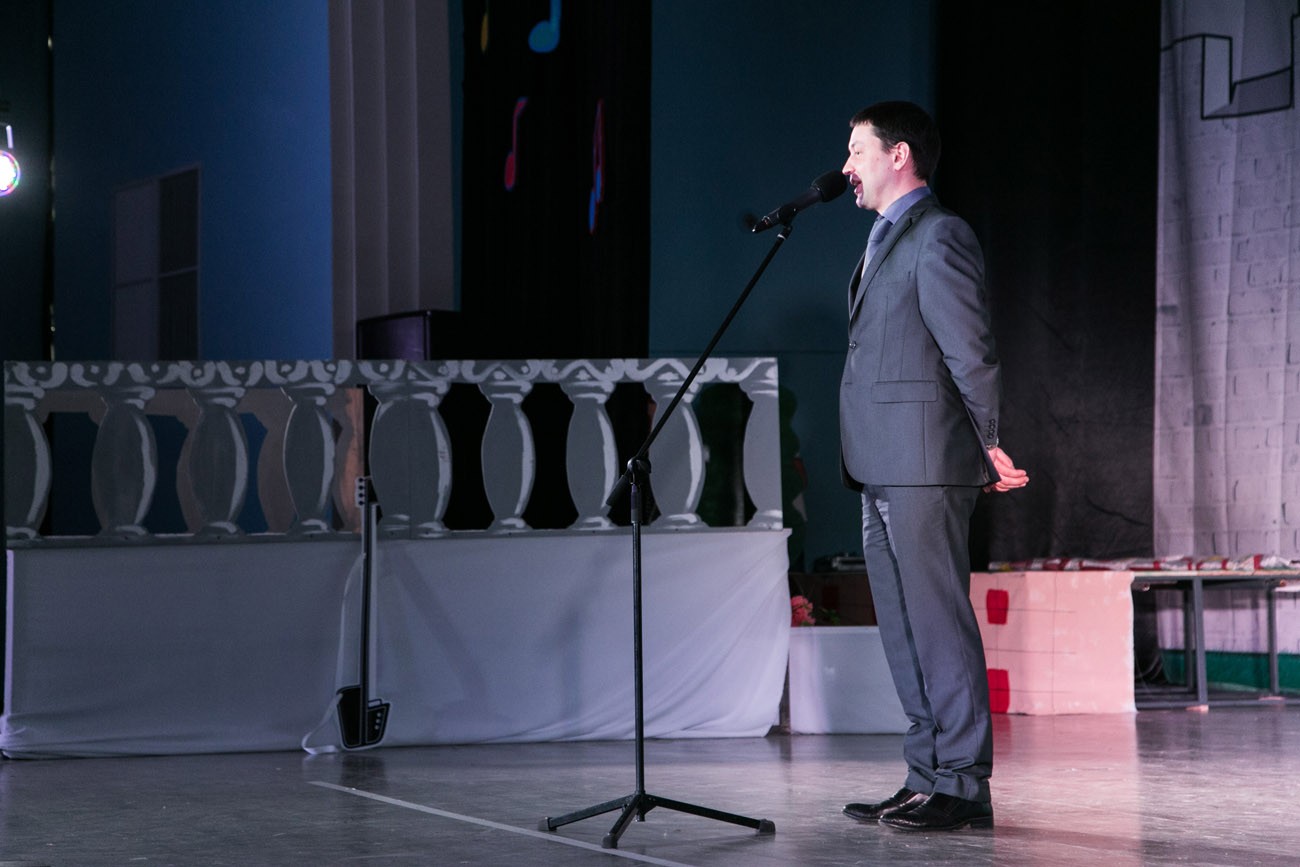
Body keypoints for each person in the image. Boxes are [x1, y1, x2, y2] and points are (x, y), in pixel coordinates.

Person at [836, 101, 1028, 832]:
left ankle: (964, 783)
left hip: (925, 460)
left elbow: (970, 351)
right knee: (903, 626)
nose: (847, 167)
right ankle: (925, 775)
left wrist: (988, 440)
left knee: (939, 622)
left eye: (857, 151)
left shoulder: (940, 234)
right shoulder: (883, 238)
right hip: (879, 459)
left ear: (900, 155)